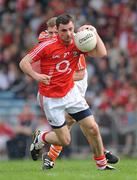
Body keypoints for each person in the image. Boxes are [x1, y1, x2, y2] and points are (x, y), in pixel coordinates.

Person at [19, 13, 116, 171]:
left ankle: (102, 165)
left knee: (93, 128)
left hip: (71, 93)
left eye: (71, 29)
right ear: (57, 30)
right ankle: (41, 137)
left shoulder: (78, 42)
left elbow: (101, 53)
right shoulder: (46, 45)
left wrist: (94, 33)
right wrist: (36, 76)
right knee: (65, 140)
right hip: (52, 99)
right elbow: (24, 62)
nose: (68, 34)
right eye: (64, 30)